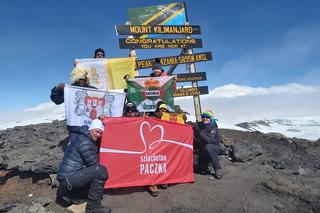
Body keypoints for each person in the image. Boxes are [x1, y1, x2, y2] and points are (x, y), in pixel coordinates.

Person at [56, 119, 111, 213]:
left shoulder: (82, 137)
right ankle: (93, 208)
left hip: (67, 178)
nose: (98, 135)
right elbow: (94, 165)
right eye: (96, 131)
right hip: (69, 179)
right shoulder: (86, 142)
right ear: (91, 129)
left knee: (94, 172)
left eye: (100, 133)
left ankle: (71, 194)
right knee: (101, 171)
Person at [50, 67, 97, 142]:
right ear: (75, 79)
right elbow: (57, 101)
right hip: (74, 126)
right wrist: (57, 89)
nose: (81, 81)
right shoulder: (69, 91)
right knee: (75, 147)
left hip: (90, 125)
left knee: (91, 146)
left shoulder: (93, 89)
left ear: (86, 79)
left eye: (83, 79)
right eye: (79, 78)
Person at [193, 110, 222, 180]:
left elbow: (209, 140)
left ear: (211, 118)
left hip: (214, 148)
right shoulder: (201, 125)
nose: (205, 118)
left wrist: (199, 132)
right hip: (203, 150)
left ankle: (217, 169)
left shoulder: (213, 127)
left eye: (207, 117)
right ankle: (206, 165)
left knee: (208, 147)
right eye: (203, 117)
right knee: (195, 163)